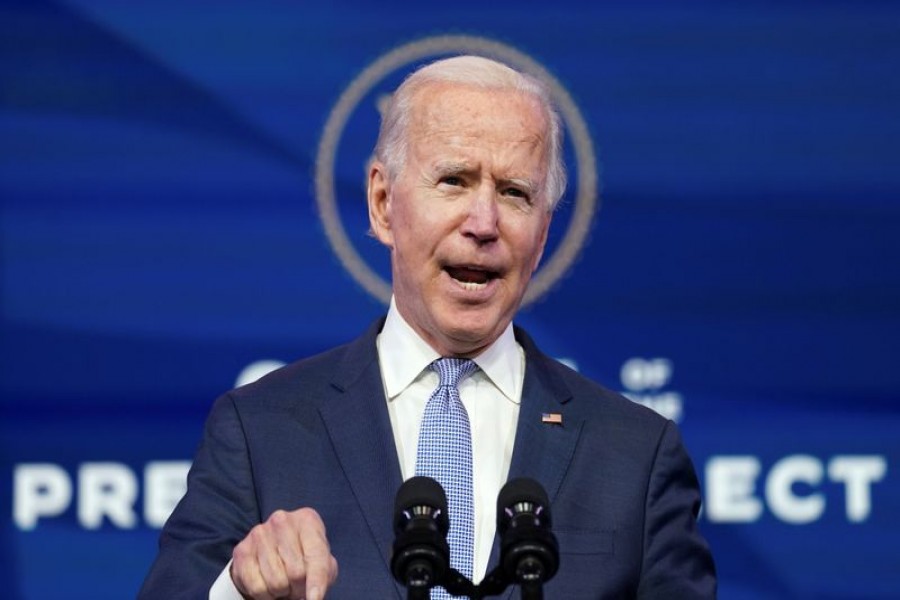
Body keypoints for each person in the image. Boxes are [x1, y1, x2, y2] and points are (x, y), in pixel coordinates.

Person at [139, 55, 716, 599]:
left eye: (515, 193)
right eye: (454, 182)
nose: (484, 223)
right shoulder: (259, 433)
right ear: (383, 203)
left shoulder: (637, 457)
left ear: (541, 236)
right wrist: (239, 590)